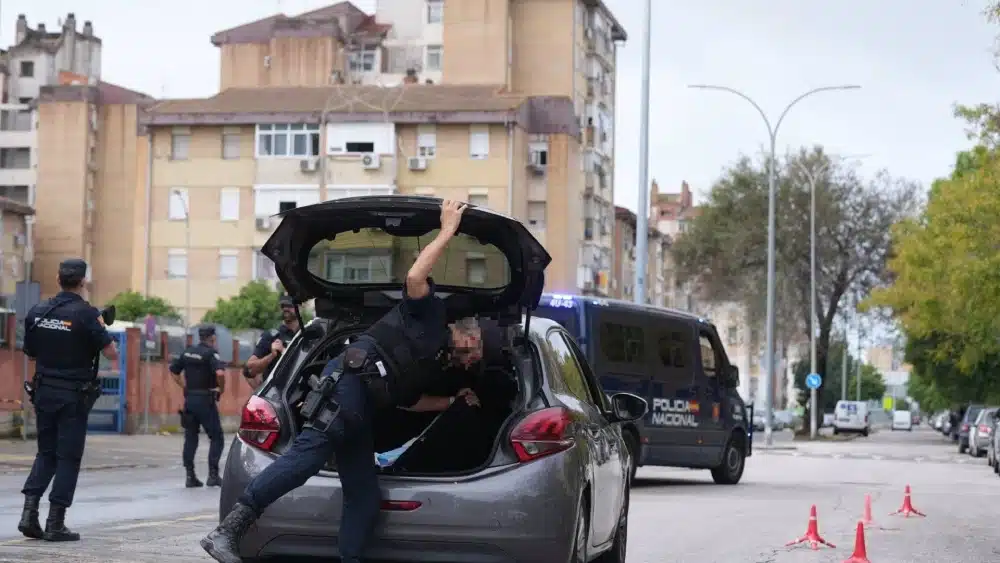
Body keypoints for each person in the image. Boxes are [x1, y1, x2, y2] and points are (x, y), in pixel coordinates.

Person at [200, 199, 478, 563]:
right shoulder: (431, 314)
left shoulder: (433, 361)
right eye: (476, 351)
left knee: (364, 496)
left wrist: (452, 401)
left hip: (360, 408)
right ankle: (227, 531)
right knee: (306, 458)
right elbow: (414, 278)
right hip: (346, 386)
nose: (472, 360)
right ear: (470, 334)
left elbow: (409, 401)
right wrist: (447, 231)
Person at [17, 258, 119, 542]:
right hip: (73, 395)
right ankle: (55, 522)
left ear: (58, 278)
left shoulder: (38, 311)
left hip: (43, 391)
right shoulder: (87, 314)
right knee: (68, 457)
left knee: (45, 453)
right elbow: (111, 353)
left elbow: (31, 352)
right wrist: (99, 327)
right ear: (83, 281)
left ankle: (28, 514)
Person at [170, 325, 228, 488]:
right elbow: (220, 373)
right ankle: (213, 475)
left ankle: (190, 476)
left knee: (190, 438)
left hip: (190, 400)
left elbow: (174, 371)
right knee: (216, 437)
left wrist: (184, 386)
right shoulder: (211, 354)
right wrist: (221, 389)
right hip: (205, 400)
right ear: (212, 338)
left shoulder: (187, 352)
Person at [244, 295, 300, 387]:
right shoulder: (271, 336)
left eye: (289, 306)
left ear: (299, 307)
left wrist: (284, 351)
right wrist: (272, 356)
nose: (285, 309)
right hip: (276, 392)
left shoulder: (306, 335)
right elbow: (249, 369)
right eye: (282, 306)